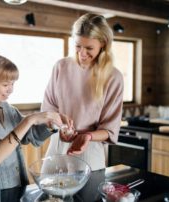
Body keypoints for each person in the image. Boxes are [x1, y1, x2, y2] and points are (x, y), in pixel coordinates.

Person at [0, 53, 70, 202]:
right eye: (5, 85)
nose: (10, 89)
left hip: (16, 183)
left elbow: (30, 136)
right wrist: (30, 119)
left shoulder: (8, 109)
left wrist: (50, 124)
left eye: (12, 84)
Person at [41, 13, 124, 171]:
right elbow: (48, 108)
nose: (82, 53)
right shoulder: (61, 67)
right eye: (78, 46)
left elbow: (110, 129)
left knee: (87, 196)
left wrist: (87, 136)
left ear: (103, 45)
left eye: (89, 48)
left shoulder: (113, 77)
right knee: (50, 194)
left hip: (89, 149)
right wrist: (60, 127)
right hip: (57, 145)